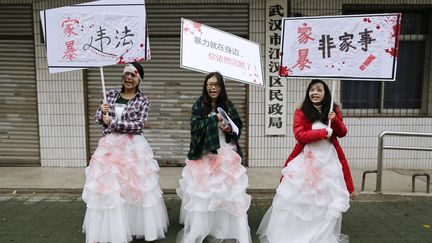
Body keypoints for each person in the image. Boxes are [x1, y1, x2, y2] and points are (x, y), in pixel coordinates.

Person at [257, 79, 356, 243]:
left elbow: (342, 132)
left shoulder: (333, 109)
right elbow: (300, 135)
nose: (315, 93)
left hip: (328, 161)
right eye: (312, 90)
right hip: (307, 160)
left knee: (325, 199)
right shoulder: (301, 111)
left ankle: (320, 234)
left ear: (326, 93)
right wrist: (323, 133)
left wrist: (336, 120)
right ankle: (298, 233)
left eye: (319, 90)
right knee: (302, 197)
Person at [82, 62, 169, 243]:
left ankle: (134, 225)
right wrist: (101, 112)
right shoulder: (111, 94)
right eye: (127, 74)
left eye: (133, 76)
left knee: (135, 187)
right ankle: (113, 228)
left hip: (133, 149)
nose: (129, 78)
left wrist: (112, 122)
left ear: (139, 80)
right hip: (110, 148)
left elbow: (138, 125)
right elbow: (99, 119)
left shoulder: (142, 100)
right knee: (112, 187)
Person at [176, 71, 252, 243]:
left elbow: (238, 126)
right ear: (205, 86)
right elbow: (194, 127)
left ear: (221, 87)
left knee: (226, 193)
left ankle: (223, 230)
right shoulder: (199, 104)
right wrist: (214, 119)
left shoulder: (228, 105)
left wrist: (228, 128)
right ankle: (201, 230)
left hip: (225, 153)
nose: (213, 87)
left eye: (216, 85)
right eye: (210, 84)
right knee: (204, 194)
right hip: (205, 154)